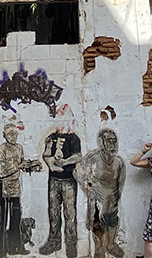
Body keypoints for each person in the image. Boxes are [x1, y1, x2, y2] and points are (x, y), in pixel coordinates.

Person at [0, 123, 42, 257]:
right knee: (2, 219)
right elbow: (2, 172)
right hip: (3, 186)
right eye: (10, 134)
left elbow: (22, 165)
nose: (13, 137)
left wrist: (31, 166)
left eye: (15, 134)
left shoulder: (19, 148)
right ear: (4, 135)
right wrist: (19, 166)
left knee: (16, 218)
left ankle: (16, 247)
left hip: (15, 186)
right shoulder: (1, 149)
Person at [40, 106, 83, 258]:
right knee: (53, 213)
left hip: (68, 181)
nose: (58, 124)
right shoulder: (52, 137)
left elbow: (78, 156)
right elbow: (46, 155)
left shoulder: (74, 138)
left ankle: (71, 247)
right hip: (54, 180)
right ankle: (54, 241)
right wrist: (50, 161)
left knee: (69, 214)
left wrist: (64, 162)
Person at [77, 128, 126, 258]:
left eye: (114, 141)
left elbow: (120, 184)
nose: (112, 145)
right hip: (97, 206)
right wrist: (89, 190)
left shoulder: (119, 162)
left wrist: (116, 200)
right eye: (109, 141)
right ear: (102, 142)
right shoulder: (93, 157)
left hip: (112, 205)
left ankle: (111, 246)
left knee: (111, 239)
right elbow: (77, 171)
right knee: (99, 248)